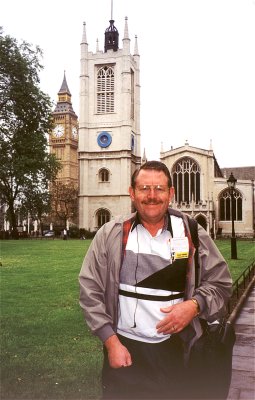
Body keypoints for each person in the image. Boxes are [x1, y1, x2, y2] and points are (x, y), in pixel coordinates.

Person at [79, 161, 232, 399]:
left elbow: (221, 285)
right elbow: (90, 291)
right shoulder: (110, 234)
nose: (152, 196)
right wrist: (110, 342)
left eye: (159, 189)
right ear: (132, 193)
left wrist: (194, 306)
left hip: (177, 352)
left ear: (171, 193)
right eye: (144, 188)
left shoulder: (192, 233)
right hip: (124, 352)